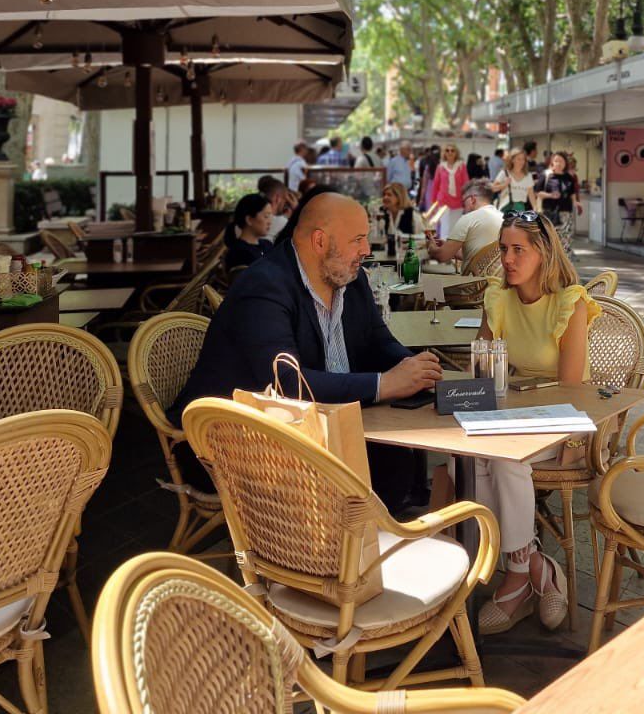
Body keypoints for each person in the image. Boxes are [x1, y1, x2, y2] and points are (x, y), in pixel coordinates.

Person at [170, 192, 442, 511]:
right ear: (320, 242)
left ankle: (358, 549)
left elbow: (377, 340)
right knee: (382, 467)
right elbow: (286, 383)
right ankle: (334, 552)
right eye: (358, 240)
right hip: (231, 442)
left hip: (307, 428)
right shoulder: (264, 286)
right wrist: (384, 384)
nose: (366, 250)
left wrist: (414, 368)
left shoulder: (349, 278)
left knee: (392, 461)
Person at [472, 210, 597, 633]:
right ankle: (538, 568)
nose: (506, 258)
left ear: (543, 253)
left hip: (564, 419)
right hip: (510, 415)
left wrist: (573, 440)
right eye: (504, 249)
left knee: (505, 460)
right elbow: (483, 371)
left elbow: (572, 389)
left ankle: (516, 576)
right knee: (475, 459)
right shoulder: (498, 297)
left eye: (517, 250)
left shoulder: (569, 302)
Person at [426, 180, 503, 267]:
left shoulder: (468, 218)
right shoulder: (502, 218)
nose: (463, 208)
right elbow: (481, 257)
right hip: (497, 278)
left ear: (472, 199)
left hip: (471, 279)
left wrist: (431, 246)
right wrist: (453, 250)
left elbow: (442, 256)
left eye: (463, 203)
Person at [426, 145, 468, 237]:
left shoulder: (462, 166)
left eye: (452, 150)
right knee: (445, 227)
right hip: (443, 201)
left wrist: (467, 199)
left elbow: (466, 184)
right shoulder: (440, 167)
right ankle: (444, 249)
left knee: (455, 227)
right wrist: (433, 203)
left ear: (456, 153)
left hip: (458, 201)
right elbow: (435, 185)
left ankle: (453, 249)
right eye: (447, 150)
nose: (450, 152)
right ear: (444, 153)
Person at [224, 194, 274, 270]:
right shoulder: (239, 253)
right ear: (249, 220)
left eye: (270, 216)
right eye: (266, 216)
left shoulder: (267, 245)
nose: (270, 222)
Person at [538, 152, 578, 235]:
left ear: (565, 163)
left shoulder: (569, 177)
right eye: (556, 161)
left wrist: (575, 201)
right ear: (552, 162)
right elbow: (538, 193)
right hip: (549, 213)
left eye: (561, 161)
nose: (559, 163)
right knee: (549, 240)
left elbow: (572, 192)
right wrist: (550, 195)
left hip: (565, 213)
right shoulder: (546, 175)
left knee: (564, 240)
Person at [493, 149, 539, 216]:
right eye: (519, 159)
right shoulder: (505, 173)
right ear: (512, 160)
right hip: (505, 208)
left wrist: (535, 209)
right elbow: (493, 188)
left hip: (520, 208)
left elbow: (531, 194)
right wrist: (504, 185)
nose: (521, 162)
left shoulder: (528, 176)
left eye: (523, 159)